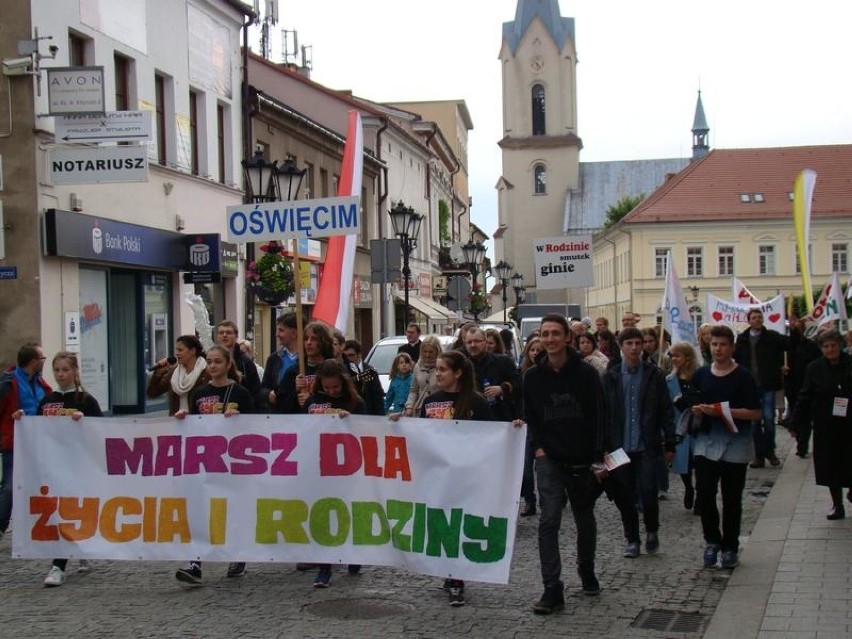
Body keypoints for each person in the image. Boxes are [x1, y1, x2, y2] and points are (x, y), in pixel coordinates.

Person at [523, 314, 606, 614]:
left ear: (567, 337)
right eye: (545, 334)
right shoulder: (533, 377)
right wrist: (539, 448)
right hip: (550, 459)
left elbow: (599, 416)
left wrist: (598, 458)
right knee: (548, 521)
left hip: (582, 459)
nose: (550, 339)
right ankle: (552, 587)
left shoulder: (586, 374)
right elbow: (529, 415)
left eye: (555, 333)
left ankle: (586, 569)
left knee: (584, 519)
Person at [174, 345, 255, 586]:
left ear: (228, 364)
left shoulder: (240, 392)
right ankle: (195, 562)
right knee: (202, 511)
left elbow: (257, 425)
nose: (212, 366)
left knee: (231, 510)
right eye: (209, 362)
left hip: (233, 464)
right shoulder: (199, 393)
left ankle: (237, 555)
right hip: (206, 463)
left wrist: (239, 420)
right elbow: (195, 425)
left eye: (217, 361)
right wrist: (183, 418)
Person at [417, 350, 492, 606]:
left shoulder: (476, 402)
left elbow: (493, 436)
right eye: (436, 369)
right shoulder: (430, 401)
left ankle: (457, 578)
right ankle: (449, 571)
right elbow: (419, 434)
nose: (437, 374)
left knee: (459, 523)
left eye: (442, 370)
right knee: (442, 523)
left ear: (458, 373)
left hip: (467, 475)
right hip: (439, 475)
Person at [691, 325, 762, 570]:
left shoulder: (743, 376)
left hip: (735, 444)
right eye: (714, 344)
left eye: (722, 345)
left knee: (732, 498)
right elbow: (692, 401)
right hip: (706, 443)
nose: (718, 349)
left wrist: (723, 411)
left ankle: (730, 546)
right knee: (706, 494)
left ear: (731, 347)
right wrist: (696, 409)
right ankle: (712, 541)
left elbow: (755, 413)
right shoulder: (701, 374)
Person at [31, 351, 103, 586]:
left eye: (65, 370)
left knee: (71, 508)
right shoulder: (47, 400)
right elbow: (35, 429)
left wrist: (84, 424)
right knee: (57, 509)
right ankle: (63, 559)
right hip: (53, 465)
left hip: (78, 465)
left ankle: (61, 561)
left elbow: (102, 432)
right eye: (57, 370)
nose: (61, 375)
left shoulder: (85, 400)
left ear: (75, 371)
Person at [602, 327, 675, 558]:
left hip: (646, 445)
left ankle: (652, 530)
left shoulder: (654, 376)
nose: (634, 348)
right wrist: (601, 449)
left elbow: (665, 411)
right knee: (624, 495)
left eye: (638, 343)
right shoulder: (611, 377)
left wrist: (670, 443)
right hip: (618, 446)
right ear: (621, 347)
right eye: (629, 344)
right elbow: (602, 414)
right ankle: (632, 538)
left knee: (648, 490)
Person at [303, 359, 367, 586]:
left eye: (335, 388)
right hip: (318, 465)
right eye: (326, 388)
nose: (330, 392)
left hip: (347, 466)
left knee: (347, 510)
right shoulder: (312, 401)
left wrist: (348, 420)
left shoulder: (355, 402)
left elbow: (366, 429)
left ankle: (352, 553)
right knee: (323, 513)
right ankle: (325, 566)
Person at [791, 330, 852, 520]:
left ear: (840, 345)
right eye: (826, 346)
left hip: (850, 420)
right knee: (831, 463)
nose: (830, 349)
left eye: (833, 345)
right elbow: (805, 395)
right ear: (821, 349)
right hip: (826, 422)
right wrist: (795, 422)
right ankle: (837, 504)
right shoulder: (814, 368)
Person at [0, 342, 52, 539]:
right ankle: (0, 526)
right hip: (15, 441)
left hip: (39, 441)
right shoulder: (8, 382)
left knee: (41, 484)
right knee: (10, 486)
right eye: (42, 359)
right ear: (33, 362)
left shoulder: (40, 383)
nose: (44, 362)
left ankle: (37, 526)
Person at [734, 308, 787, 468]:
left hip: (767, 384)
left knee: (769, 419)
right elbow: (737, 360)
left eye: (759, 317)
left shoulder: (772, 336)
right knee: (754, 422)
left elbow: (790, 344)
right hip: (750, 386)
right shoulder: (742, 339)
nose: (757, 319)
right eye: (754, 317)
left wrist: (797, 329)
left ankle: (770, 451)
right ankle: (758, 455)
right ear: (749, 321)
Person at [666, 342, 702, 514]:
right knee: (683, 461)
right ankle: (689, 487)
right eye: (672, 356)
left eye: (677, 355)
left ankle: (701, 494)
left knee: (701, 462)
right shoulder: (670, 380)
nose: (674, 359)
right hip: (679, 425)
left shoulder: (699, 377)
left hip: (698, 425)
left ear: (687, 358)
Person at [464, 326, 522, 424]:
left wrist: (502, 389)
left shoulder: (503, 361)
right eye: (469, 342)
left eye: (477, 341)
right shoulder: (463, 365)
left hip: (500, 418)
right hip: (473, 420)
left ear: (485, 342)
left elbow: (519, 384)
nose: (473, 345)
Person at [783, 313, 821, 457]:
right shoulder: (787, 346)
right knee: (796, 413)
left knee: (804, 416)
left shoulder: (811, 346)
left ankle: (802, 445)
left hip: (807, 385)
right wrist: (782, 367)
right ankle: (799, 437)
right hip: (792, 385)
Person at [275, 322, 335, 414]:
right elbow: (280, 405)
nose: (308, 343)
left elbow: (344, 400)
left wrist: (311, 401)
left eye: (314, 339)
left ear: (324, 341)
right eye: (306, 339)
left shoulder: (333, 370)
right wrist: (296, 392)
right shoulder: (294, 371)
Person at [147, 335, 209, 415]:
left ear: (192, 351)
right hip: (177, 421)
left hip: (199, 421)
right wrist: (158, 373)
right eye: (176, 350)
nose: (176, 353)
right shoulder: (174, 372)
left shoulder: (206, 372)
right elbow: (153, 393)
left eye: (180, 350)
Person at [518, 336, 543, 517]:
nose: (535, 353)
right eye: (532, 350)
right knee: (526, 469)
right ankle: (529, 499)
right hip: (526, 425)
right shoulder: (523, 372)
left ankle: (553, 498)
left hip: (544, 427)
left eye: (538, 350)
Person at [260, 313, 299, 411]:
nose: (277, 334)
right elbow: (264, 387)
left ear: (294, 333)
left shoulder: (308, 358)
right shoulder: (274, 359)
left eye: (281, 330)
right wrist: (268, 394)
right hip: (279, 412)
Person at [215, 320, 261, 402]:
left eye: (228, 332)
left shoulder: (246, 362)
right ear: (217, 337)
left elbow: (256, 391)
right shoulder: (210, 360)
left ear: (236, 336)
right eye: (221, 333)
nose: (224, 335)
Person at [342, 339, 384, 416]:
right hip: (350, 415)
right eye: (345, 356)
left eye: (351, 355)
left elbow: (377, 396)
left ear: (359, 354)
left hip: (368, 415)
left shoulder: (370, 371)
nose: (348, 358)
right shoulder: (342, 370)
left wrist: (380, 418)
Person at [403, 335, 442, 417]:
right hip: (420, 411)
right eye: (425, 351)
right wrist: (409, 406)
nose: (427, 355)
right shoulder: (418, 366)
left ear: (437, 351)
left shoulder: (443, 366)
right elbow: (413, 390)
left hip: (440, 410)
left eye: (431, 352)